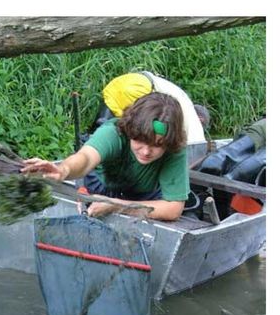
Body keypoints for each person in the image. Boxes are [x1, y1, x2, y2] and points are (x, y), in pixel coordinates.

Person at [20, 91, 188, 222]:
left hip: (144, 196)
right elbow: (86, 158)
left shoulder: (174, 148)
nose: (146, 151)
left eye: (157, 145)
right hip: (101, 186)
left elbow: (173, 208)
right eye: (140, 140)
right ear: (130, 130)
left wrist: (116, 206)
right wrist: (63, 170)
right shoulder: (114, 132)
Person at [98, 71, 209, 145]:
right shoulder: (193, 122)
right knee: (137, 129)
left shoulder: (183, 100)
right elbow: (196, 144)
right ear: (200, 120)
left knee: (105, 126)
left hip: (126, 81)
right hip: (140, 89)